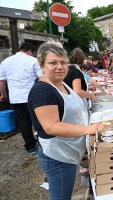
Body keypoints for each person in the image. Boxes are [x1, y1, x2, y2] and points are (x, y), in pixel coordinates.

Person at [28, 40, 105, 199]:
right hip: (57, 155)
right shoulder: (42, 90)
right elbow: (51, 127)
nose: (59, 66)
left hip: (68, 150)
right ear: (42, 65)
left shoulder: (61, 84)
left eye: (63, 62)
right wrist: (88, 129)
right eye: (53, 63)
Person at [0, 42, 41, 155]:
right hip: (31, 96)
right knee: (38, 121)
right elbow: (42, 77)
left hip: (14, 98)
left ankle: (30, 147)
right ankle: (43, 144)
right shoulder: (32, 61)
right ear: (29, 51)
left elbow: (2, 82)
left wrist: (3, 94)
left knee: (23, 123)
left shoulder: (5, 62)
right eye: (33, 53)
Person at [63, 48, 96, 126]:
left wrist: (88, 88)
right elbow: (77, 91)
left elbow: (70, 85)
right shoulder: (76, 71)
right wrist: (90, 95)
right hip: (77, 104)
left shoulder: (67, 69)